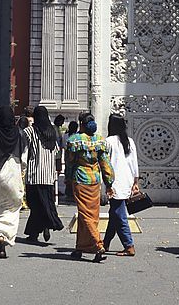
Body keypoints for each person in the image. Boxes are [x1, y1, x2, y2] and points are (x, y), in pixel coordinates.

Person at [65, 112, 114, 262]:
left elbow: (70, 162)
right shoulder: (100, 140)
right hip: (95, 180)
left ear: (81, 123)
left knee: (85, 214)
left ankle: (98, 245)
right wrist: (109, 182)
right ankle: (81, 246)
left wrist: (67, 178)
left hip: (80, 179)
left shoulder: (74, 140)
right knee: (91, 214)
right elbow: (105, 163)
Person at [0, 106, 28, 259]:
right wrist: (22, 173)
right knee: (12, 209)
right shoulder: (20, 133)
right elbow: (24, 158)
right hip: (14, 175)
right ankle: (5, 239)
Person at [23, 106, 64, 243]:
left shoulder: (29, 131)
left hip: (34, 174)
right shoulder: (52, 131)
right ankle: (44, 225)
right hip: (48, 175)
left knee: (34, 204)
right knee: (46, 202)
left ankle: (36, 231)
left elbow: (23, 151)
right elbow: (57, 152)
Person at [103, 113, 139, 256]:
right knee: (114, 214)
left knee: (119, 214)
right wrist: (135, 182)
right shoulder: (129, 141)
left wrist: (107, 183)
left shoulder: (109, 141)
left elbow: (105, 165)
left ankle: (129, 245)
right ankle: (105, 243)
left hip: (115, 182)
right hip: (127, 180)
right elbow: (134, 163)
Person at [62, 120, 78, 201]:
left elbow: (64, 145)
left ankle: (69, 191)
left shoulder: (66, 136)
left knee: (68, 173)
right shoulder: (77, 137)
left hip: (68, 156)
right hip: (75, 156)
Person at [53, 114, 65, 193]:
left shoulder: (58, 129)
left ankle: (55, 188)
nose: (63, 123)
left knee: (58, 170)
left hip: (59, 154)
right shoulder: (54, 128)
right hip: (55, 154)